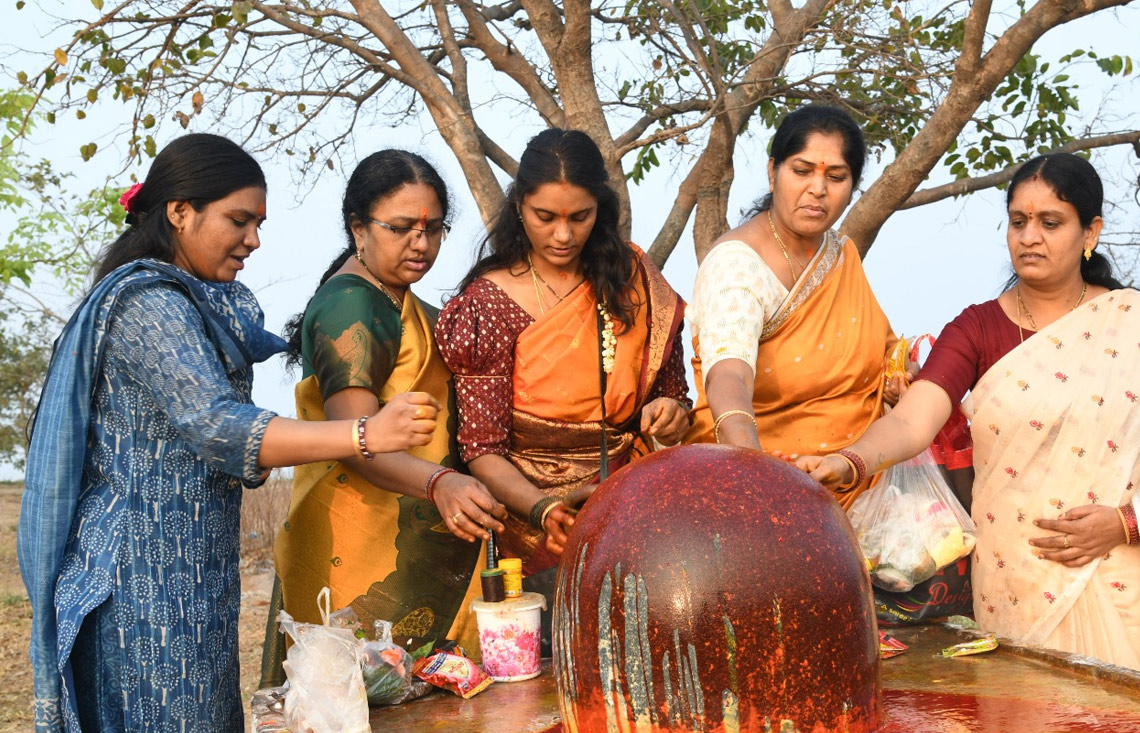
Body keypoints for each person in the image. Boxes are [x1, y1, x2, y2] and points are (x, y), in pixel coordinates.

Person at [19, 134, 439, 733]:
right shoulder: (147, 307)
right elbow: (216, 425)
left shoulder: (202, 306)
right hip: (136, 597)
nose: (252, 240)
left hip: (189, 589)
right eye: (238, 221)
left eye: (260, 225)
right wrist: (362, 434)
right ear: (178, 212)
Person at [799, 152, 1140, 686]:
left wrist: (1124, 524)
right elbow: (912, 421)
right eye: (1018, 222)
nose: (1029, 237)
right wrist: (848, 462)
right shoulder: (977, 328)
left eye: (1050, 222)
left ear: (1091, 232)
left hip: (1115, 581)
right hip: (1011, 587)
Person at [261, 151, 505, 683]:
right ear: (358, 229)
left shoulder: (393, 301)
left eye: (434, 229)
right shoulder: (354, 306)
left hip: (396, 534)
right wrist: (441, 481)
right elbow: (359, 441)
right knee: (359, 714)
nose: (421, 244)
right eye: (401, 228)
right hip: (360, 543)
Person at [435, 128, 691, 600]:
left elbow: (672, 395)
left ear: (601, 209)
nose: (563, 234)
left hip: (634, 512)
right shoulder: (488, 303)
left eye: (580, 216)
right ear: (518, 206)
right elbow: (481, 448)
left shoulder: (633, 280)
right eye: (545, 216)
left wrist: (673, 412)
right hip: (531, 532)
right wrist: (544, 509)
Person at [684, 104, 905, 508]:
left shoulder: (838, 255)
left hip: (857, 478)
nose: (817, 189)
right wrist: (757, 472)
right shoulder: (737, 265)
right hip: (764, 486)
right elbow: (728, 376)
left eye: (835, 177)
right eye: (802, 171)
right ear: (773, 172)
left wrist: (900, 377)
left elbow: (885, 353)